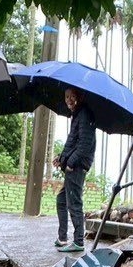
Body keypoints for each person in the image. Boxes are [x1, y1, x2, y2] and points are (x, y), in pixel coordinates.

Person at [54, 87, 96, 253]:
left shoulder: (84, 114)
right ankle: (62, 238)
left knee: (74, 203)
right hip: (73, 165)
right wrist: (61, 158)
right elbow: (73, 142)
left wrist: (70, 163)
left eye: (72, 96)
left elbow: (84, 144)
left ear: (79, 97)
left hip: (77, 167)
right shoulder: (78, 115)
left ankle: (78, 241)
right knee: (61, 200)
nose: (69, 100)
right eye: (66, 97)